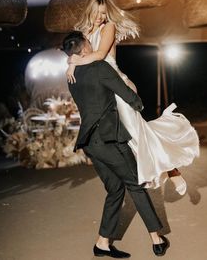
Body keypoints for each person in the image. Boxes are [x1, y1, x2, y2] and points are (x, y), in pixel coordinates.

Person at [66, 0, 199, 194]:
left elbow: (100, 55)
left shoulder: (108, 27)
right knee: (124, 137)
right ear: (90, 11)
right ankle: (144, 173)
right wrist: (70, 65)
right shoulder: (83, 32)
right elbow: (77, 53)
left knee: (136, 133)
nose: (101, 17)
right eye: (97, 13)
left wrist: (75, 62)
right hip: (101, 89)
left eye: (104, 13)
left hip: (118, 84)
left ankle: (172, 170)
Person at [62, 31, 170, 257]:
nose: (92, 45)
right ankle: (157, 238)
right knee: (135, 183)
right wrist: (140, 106)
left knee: (115, 189)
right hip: (109, 139)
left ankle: (102, 243)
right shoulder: (99, 68)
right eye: (89, 43)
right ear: (83, 50)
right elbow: (124, 92)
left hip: (90, 143)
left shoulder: (72, 76)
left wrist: (73, 63)